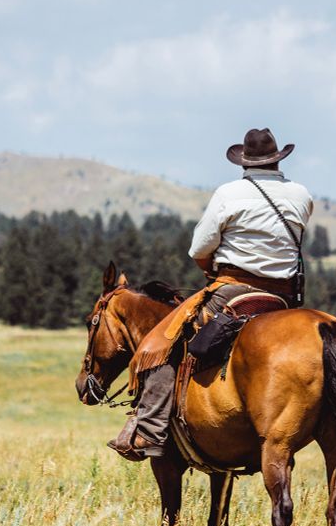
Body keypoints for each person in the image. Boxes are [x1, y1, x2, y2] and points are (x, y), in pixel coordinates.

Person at [108, 128, 313, 461]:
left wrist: (209, 268)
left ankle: (149, 429)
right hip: (283, 298)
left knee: (162, 342)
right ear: (277, 159)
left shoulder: (229, 193)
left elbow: (199, 247)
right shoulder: (302, 194)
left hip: (232, 288)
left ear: (244, 162)